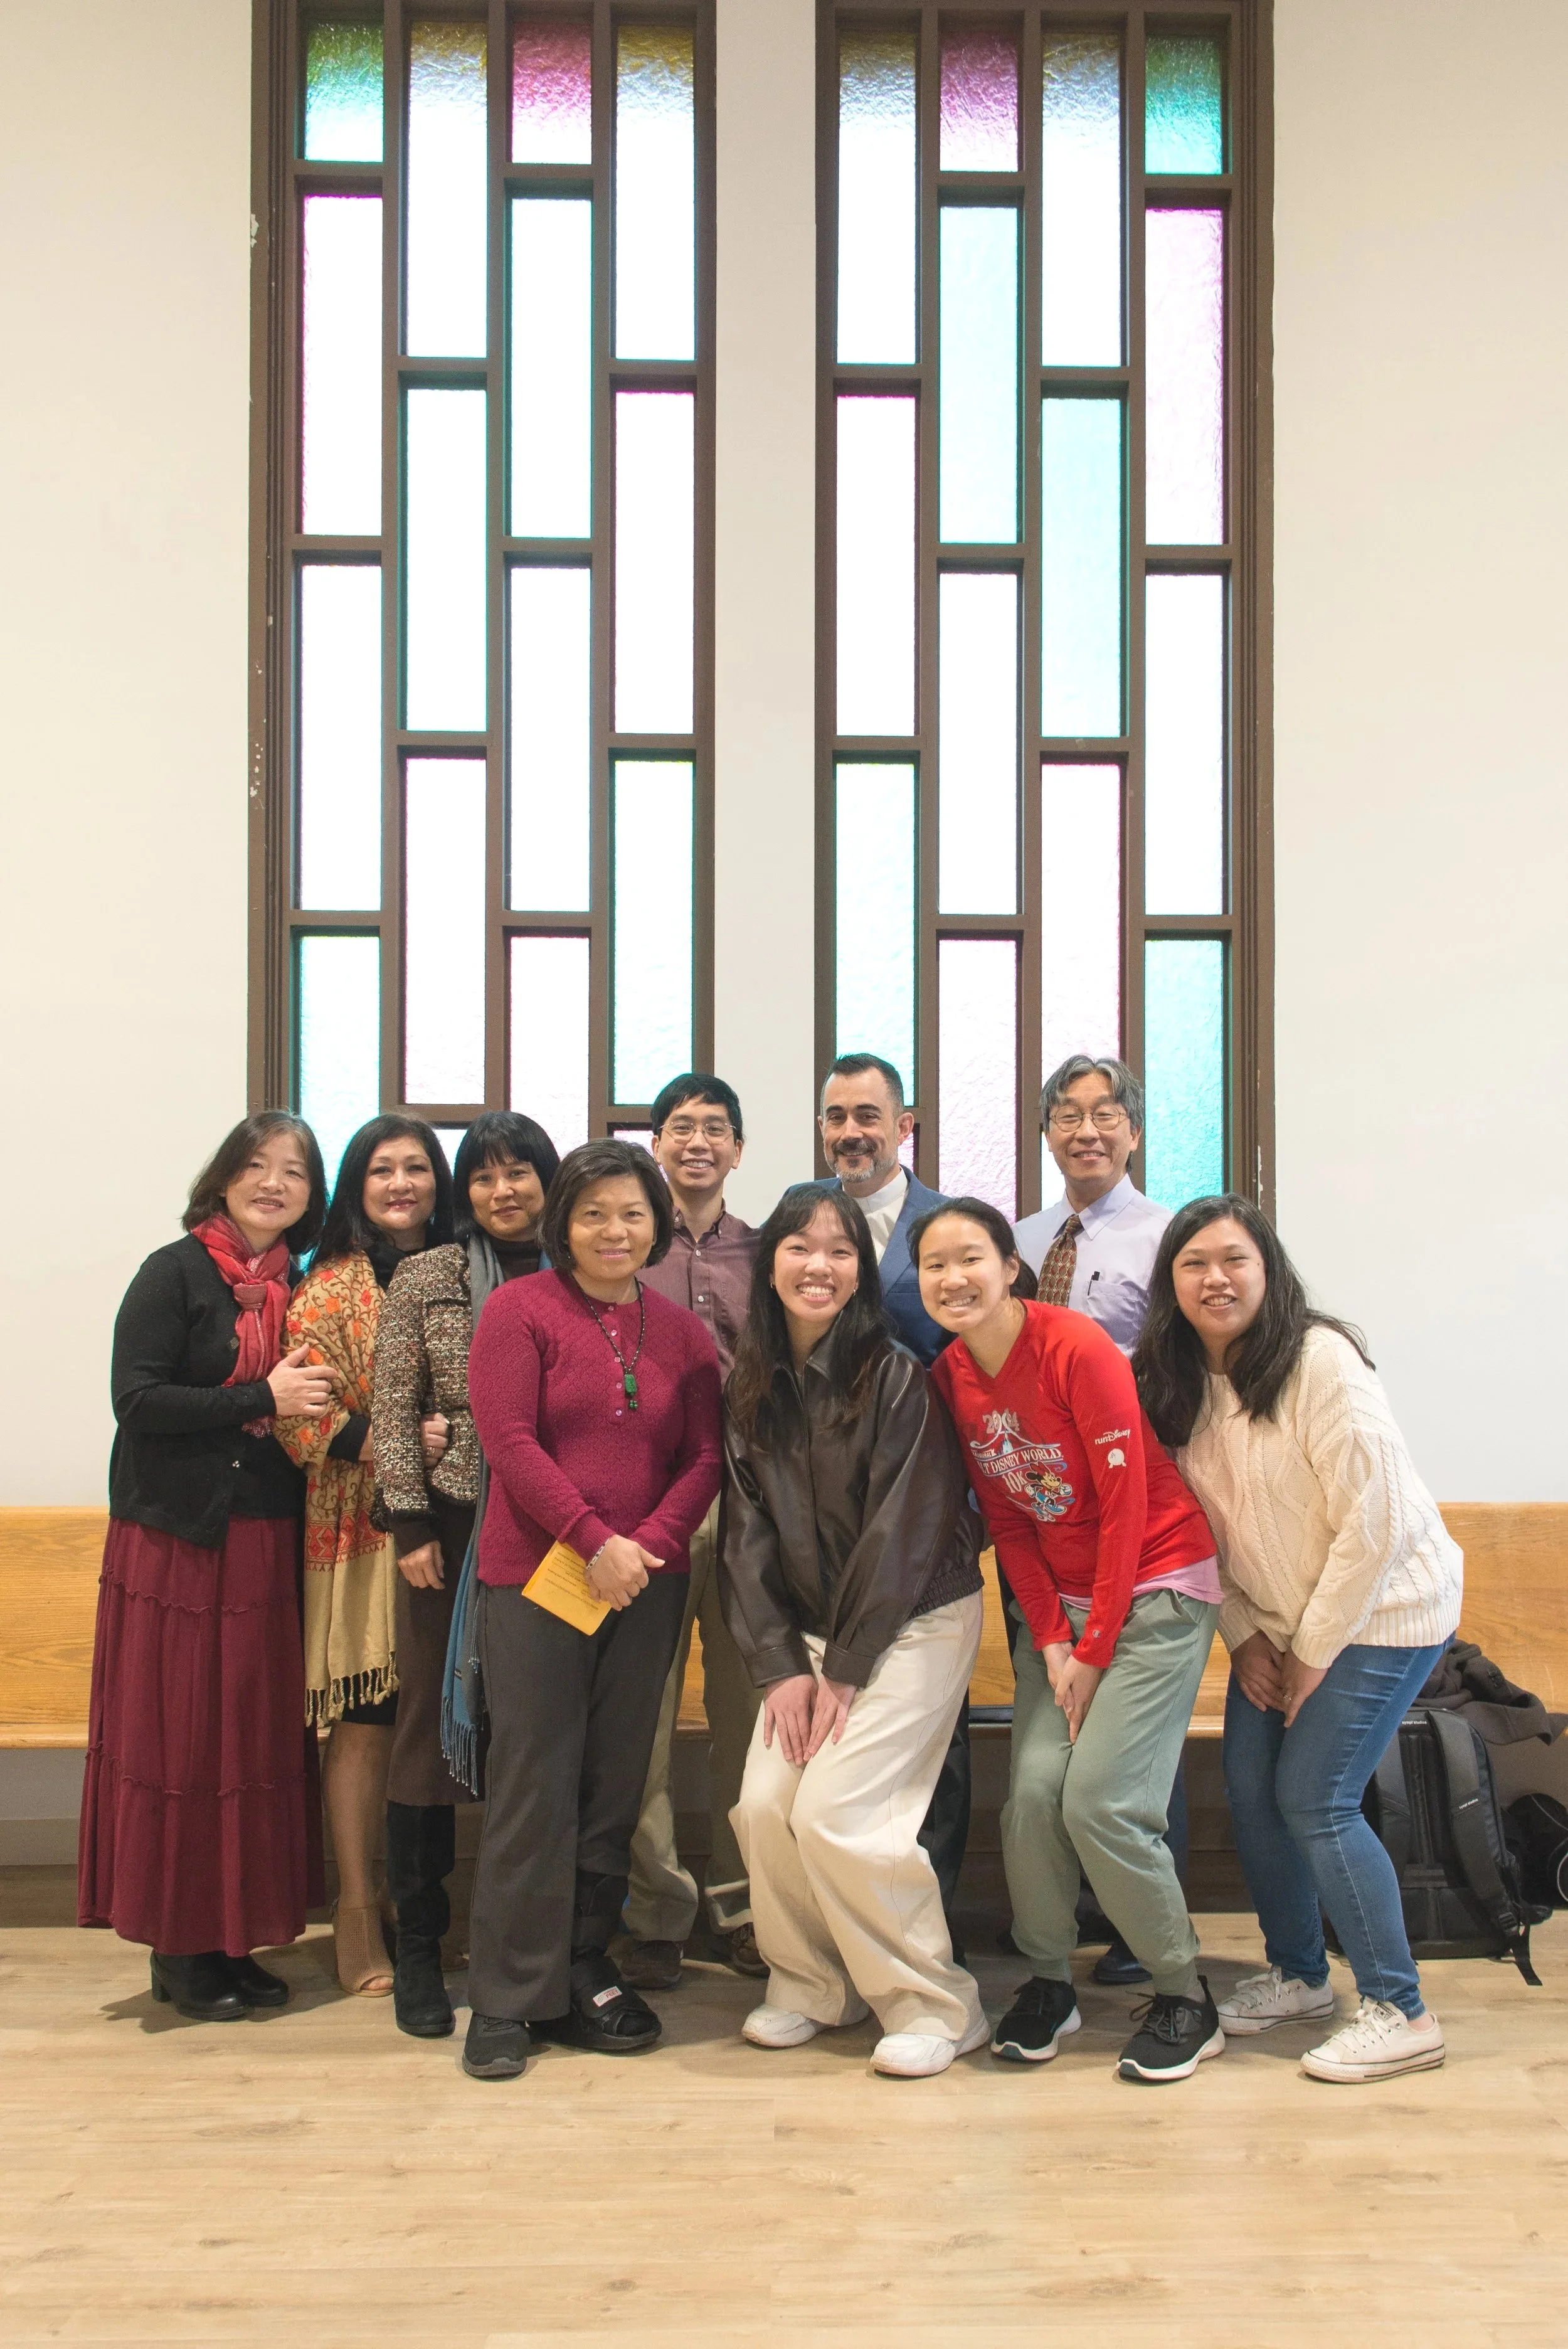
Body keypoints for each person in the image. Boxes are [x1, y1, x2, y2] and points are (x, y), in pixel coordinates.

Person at [1135, 1196, 1463, 2084]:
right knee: (1249, 1789)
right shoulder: (1171, 1382)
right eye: (1195, 1263)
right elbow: (1198, 1530)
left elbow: (1380, 1521)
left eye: (1235, 1259)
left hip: (1385, 1612)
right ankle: (1300, 1977)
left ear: (1268, 1270)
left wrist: (1315, 1650)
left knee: (1315, 1797)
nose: (1217, 1278)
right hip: (1277, 1621)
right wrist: (1244, 1637)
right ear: (1171, 1283)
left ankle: (1401, 2007)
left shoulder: (1320, 1360)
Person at [916, 1198, 1226, 2085]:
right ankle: (1050, 1981)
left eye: (970, 1257)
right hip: (1064, 1615)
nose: (953, 1278)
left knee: (1101, 1805)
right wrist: (1054, 1640)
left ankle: (1183, 1992)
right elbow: (1012, 1517)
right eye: (934, 1265)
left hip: (1157, 1590)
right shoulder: (951, 1375)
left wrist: (1095, 1648)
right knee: (1033, 1800)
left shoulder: (1074, 1346)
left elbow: (1127, 1504)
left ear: (1010, 1266)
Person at [460, 1140, 723, 2081]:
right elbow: (510, 1442)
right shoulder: (517, 1311)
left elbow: (702, 1457)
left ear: (658, 1223)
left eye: (633, 1214)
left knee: (614, 1784)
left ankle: (582, 1967)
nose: (616, 1231)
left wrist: (645, 1546)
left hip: (646, 1583)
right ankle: (505, 1994)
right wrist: (592, 1540)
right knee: (537, 1781)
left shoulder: (683, 1333)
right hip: (539, 1580)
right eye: (594, 1214)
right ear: (563, 1223)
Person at [723, 1186, 987, 2079]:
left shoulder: (895, 1374)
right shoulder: (751, 1383)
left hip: (912, 1622)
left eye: (840, 1251)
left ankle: (936, 2004)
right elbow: (745, 1535)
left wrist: (845, 1668)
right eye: (799, 1247)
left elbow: (904, 1534)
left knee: (841, 1814)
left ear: (861, 1273)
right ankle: (812, 1983)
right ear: (770, 1265)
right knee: (764, 1807)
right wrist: (778, 1667)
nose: (819, 1265)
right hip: (806, 1637)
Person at [78, 1112, 333, 2022]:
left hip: (266, 1535)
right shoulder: (175, 1271)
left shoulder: (301, 1287)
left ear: (312, 1197)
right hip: (176, 1542)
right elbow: (136, 1400)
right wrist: (261, 1395)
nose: (273, 1182)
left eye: (294, 1172)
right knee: (181, 1740)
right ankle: (179, 1950)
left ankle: (229, 1939)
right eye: (256, 1165)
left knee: (250, 1739)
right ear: (222, 1177)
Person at [369, 1109, 561, 2039]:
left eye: (519, 1172)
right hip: (447, 1528)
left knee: (533, 1735)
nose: (503, 1192)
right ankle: (419, 1947)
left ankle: (530, 1945)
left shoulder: (584, 1275)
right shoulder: (426, 1276)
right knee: (426, 1738)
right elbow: (396, 1406)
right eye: (484, 1177)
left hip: (557, 1536)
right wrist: (409, 1523)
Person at [274, 1115, 455, 2000]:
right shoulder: (326, 1291)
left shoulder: (470, 1272)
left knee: (440, 1721)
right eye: (382, 1169)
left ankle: (433, 1904)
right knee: (367, 1719)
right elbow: (296, 1418)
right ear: (357, 1184)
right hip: (358, 1529)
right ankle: (356, 1904)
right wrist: (394, 1442)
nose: (401, 1184)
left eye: (418, 1167)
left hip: (459, 1527)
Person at [1013, 1054, 1181, 1987]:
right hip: (1042, 1514)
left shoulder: (1166, 1236)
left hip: (1134, 1508)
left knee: (1137, 1739)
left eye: (1105, 1114)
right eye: (1068, 1115)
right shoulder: (1023, 1240)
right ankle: (1063, 1915)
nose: (1086, 1130)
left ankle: (1137, 1926)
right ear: (1046, 1132)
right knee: (1059, 1734)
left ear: (1133, 1132)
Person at [817, 1050, 972, 1933]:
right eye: (836, 1117)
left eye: (868, 1116)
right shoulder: (798, 1225)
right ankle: (844, 1919)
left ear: (905, 1126)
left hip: (933, 1510)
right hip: (831, 1515)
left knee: (933, 1729)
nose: (851, 1133)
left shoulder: (949, 1228)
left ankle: (933, 1916)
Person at [621, 1074, 763, 1991]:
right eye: (681, 1128)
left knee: (754, 1714)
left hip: (753, 1503)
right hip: (650, 1504)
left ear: (739, 1150)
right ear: (658, 1143)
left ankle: (748, 1907)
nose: (698, 1142)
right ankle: (656, 1911)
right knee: (644, 1714)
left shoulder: (771, 1248)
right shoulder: (622, 1245)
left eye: (716, 1129)